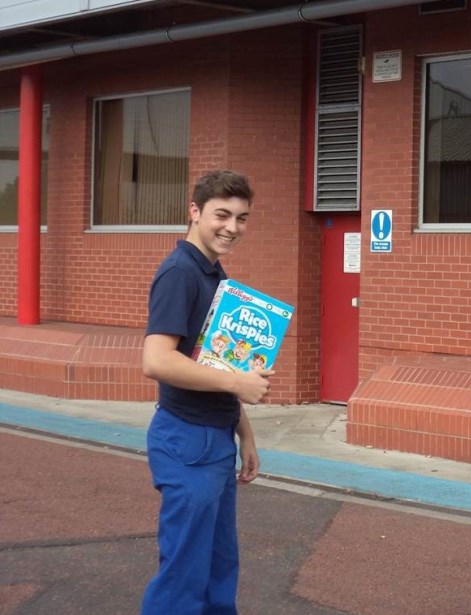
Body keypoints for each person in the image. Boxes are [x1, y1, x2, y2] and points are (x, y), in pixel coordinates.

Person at [140, 169, 273, 615]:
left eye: (242, 217)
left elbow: (213, 364)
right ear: (194, 212)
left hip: (213, 437)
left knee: (217, 567)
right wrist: (238, 383)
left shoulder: (214, 274)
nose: (232, 227)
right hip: (186, 440)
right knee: (185, 576)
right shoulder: (180, 272)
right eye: (222, 214)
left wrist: (245, 433)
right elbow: (157, 360)